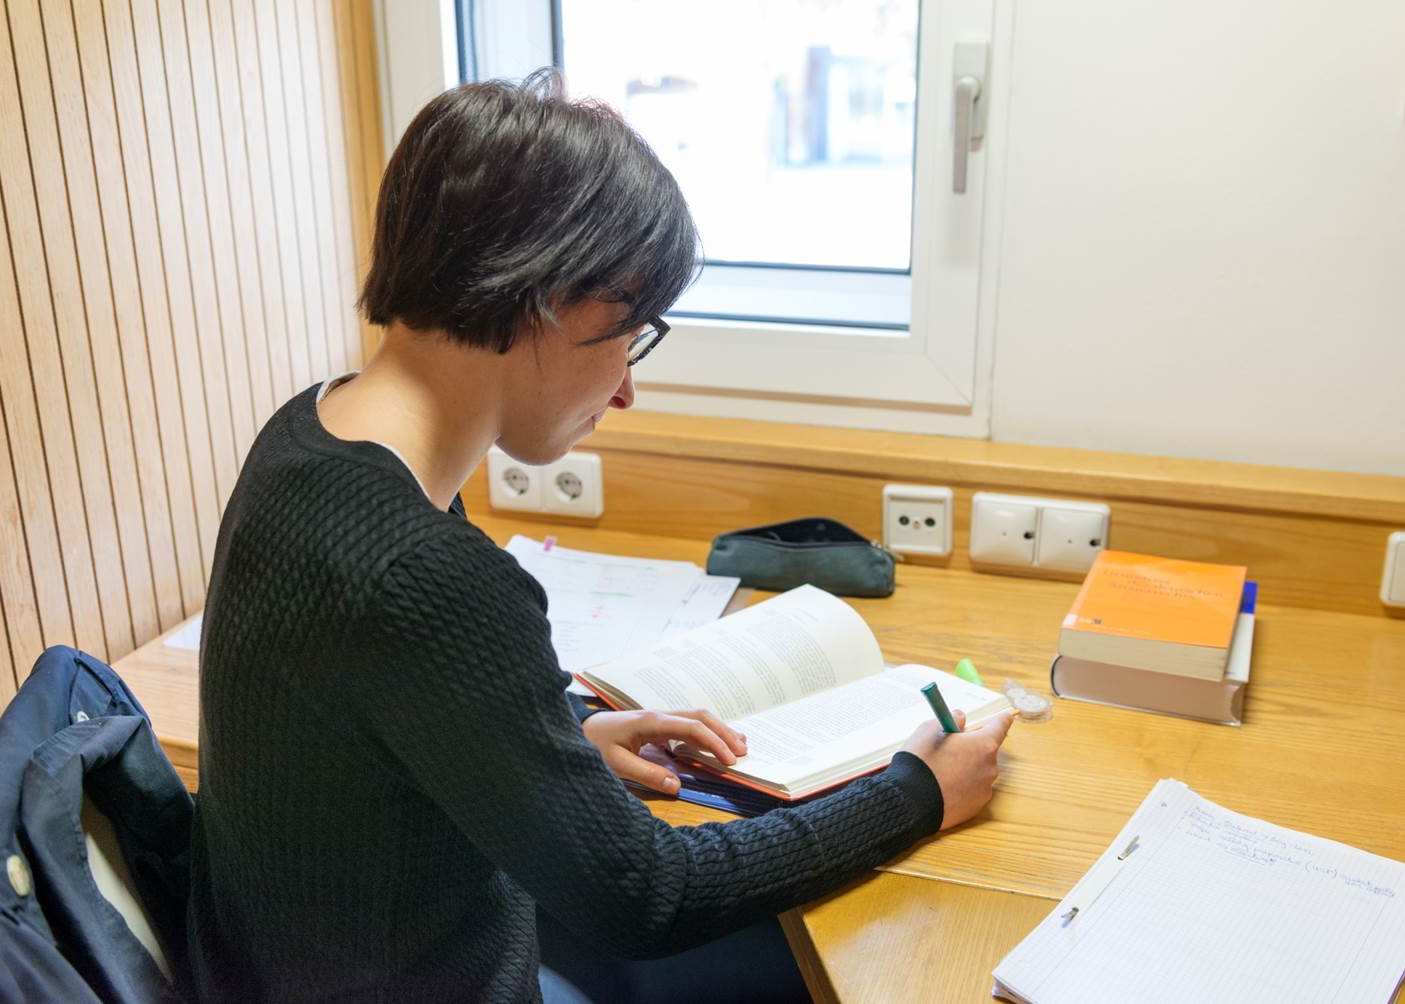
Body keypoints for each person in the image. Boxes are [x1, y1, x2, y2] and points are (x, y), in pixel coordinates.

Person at [185, 70, 1014, 1003]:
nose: (625, 390)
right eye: (631, 334)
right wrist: (917, 794)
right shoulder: (424, 571)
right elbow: (647, 897)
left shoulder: (313, 431)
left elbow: (375, 713)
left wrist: (564, 733)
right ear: (546, 297)